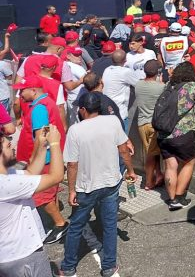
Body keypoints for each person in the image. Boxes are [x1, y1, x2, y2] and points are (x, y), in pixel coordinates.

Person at [58, 92, 135, 277]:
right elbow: (124, 150)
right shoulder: (113, 122)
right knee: (109, 226)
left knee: (76, 226)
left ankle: (68, 267)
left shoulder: (75, 130)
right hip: (111, 183)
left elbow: (72, 164)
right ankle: (109, 266)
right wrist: (131, 171)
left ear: (84, 109)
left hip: (86, 187)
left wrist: (71, 190)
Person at [0, 124, 64, 277]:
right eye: (8, 145)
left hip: (9, 253)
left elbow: (30, 172)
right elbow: (56, 176)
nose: (13, 146)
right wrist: (55, 144)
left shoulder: (7, 176)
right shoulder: (6, 183)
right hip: (24, 255)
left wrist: (41, 144)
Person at [14, 74, 69, 244]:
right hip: (51, 157)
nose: (20, 94)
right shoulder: (47, 102)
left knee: (40, 195)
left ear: (33, 90)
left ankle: (60, 224)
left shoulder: (38, 109)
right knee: (50, 192)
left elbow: (41, 137)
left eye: (22, 90)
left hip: (44, 160)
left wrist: (34, 159)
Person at [157, 62, 195, 210]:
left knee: (170, 166)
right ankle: (180, 196)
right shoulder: (190, 86)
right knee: (188, 162)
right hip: (183, 134)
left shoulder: (169, 86)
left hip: (163, 133)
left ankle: (172, 199)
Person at [134, 60, 165, 191]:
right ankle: (148, 182)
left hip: (141, 124)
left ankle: (158, 175)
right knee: (151, 155)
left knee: (152, 151)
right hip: (154, 124)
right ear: (158, 72)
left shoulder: (138, 84)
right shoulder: (161, 87)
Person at [101, 50, 139, 132]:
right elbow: (138, 84)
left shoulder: (107, 69)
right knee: (122, 138)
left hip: (107, 111)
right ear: (125, 60)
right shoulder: (125, 71)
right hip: (119, 113)